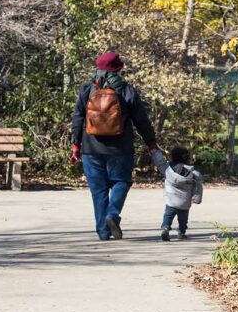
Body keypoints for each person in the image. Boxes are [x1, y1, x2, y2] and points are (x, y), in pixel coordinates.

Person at [71, 51, 158, 241]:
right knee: (121, 182)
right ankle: (113, 214)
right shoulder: (126, 90)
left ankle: (103, 232)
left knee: (98, 190)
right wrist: (151, 143)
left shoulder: (87, 89)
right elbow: (141, 120)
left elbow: (78, 117)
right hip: (120, 148)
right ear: (118, 69)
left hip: (91, 148)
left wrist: (75, 144)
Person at [151, 146, 203, 241]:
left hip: (170, 200)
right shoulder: (194, 173)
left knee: (168, 215)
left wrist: (154, 151)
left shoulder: (167, 169)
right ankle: (181, 232)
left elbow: (159, 162)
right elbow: (198, 188)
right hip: (184, 202)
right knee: (183, 219)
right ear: (187, 158)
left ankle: (165, 228)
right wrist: (196, 198)